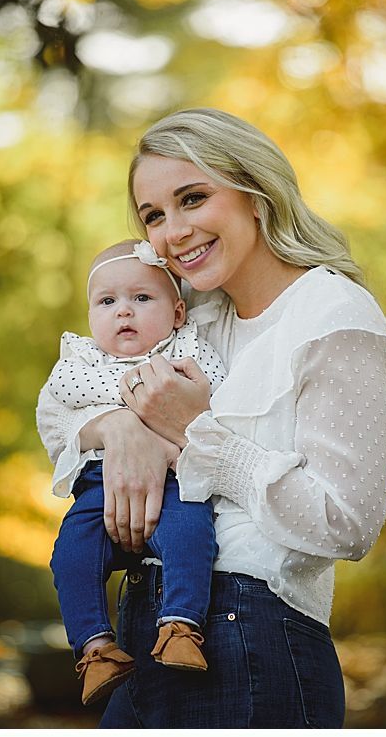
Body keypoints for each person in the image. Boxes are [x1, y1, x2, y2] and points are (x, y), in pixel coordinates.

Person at [36, 108, 386, 728]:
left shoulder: (333, 318)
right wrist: (122, 428)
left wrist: (193, 435)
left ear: (255, 193)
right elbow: (60, 408)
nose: (173, 231)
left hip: (253, 634)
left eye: (193, 198)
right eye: (154, 215)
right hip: (137, 626)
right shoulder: (196, 316)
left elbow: (347, 524)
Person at [43, 239, 226, 705]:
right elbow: (63, 388)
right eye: (108, 302)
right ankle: (96, 647)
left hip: (176, 480)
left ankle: (181, 625)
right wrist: (147, 385)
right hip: (97, 486)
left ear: (178, 313)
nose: (123, 312)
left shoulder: (192, 351)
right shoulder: (81, 358)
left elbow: (217, 400)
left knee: (192, 533)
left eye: (141, 298)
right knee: (70, 554)